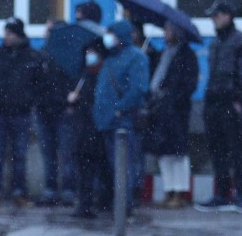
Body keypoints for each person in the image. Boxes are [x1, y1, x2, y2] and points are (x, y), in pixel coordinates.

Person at [196, 0, 242, 212]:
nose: (213, 20)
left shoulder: (241, 42)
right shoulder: (216, 43)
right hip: (214, 103)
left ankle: (239, 195)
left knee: (235, 149)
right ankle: (221, 194)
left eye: (216, 16)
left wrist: (238, 99)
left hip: (230, 103)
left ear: (226, 16)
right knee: (217, 150)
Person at [0, 16, 41, 205]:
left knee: (19, 154)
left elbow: (40, 84)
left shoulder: (32, 56)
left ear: (18, 35)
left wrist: (28, 100)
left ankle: (19, 192)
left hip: (21, 113)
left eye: (10, 33)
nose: (6, 37)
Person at [94, 20, 150, 213]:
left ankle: (125, 204)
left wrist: (119, 108)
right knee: (113, 165)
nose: (108, 38)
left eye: (112, 34)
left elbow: (138, 89)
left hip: (123, 122)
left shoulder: (136, 58)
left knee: (125, 165)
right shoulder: (110, 58)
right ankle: (116, 202)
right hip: (106, 121)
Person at [144, 20, 200, 208]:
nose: (165, 33)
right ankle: (168, 190)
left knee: (178, 152)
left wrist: (173, 97)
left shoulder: (187, 55)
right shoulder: (163, 53)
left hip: (176, 110)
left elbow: (189, 84)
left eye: (168, 30)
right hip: (159, 108)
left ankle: (180, 191)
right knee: (163, 151)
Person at [35, 20, 78, 206]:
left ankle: (68, 189)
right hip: (44, 109)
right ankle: (50, 188)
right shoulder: (42, 54)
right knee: (48, 152)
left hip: (63, 110)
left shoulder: (69, 55)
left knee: (66, 152)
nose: (46, 33)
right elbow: (33, 80)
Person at [69, 41, 112, 218]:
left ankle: (103, 201)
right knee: (84, 169)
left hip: (97, 129)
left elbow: (100, 100)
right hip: (83, 130)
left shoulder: (104, 74)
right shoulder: (84, 74)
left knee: (101, 169)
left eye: (92, 52)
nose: (89, 55)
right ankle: (85, 204)